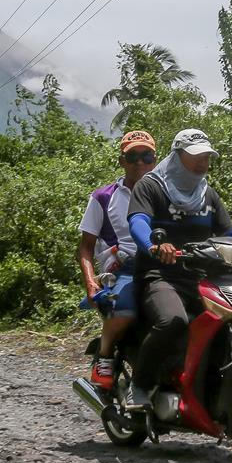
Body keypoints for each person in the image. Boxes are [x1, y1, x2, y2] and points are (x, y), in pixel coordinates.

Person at [125, 128, 232, 408]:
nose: (203, 162)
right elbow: (138, 221)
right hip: (160, 275)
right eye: (196, 156)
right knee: (173, 322)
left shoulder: (207, 195)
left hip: (202, 277)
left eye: (207, 156)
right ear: (177, 156)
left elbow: (231, 232)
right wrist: (154, 245)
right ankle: (140, 385)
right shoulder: (150, 186)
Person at [78, 130, 158, 391]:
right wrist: (91, 284)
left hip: (164, 264)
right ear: (122, 160)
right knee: (124, 310)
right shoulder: (104, 197)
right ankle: (104, 356)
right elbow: (85, 246)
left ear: (155, 160)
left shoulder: (167, 193)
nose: (140, 162)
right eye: (133, 156)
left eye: (146, 156)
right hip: (124, 267)